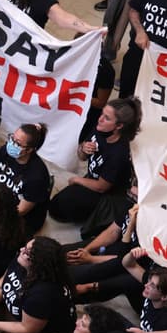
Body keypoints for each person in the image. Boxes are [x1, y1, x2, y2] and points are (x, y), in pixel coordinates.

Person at [48, 98, 139, 232]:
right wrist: (83, 148)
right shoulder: (100, 130)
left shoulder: (119, 152)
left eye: (107, 118)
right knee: (57, 205)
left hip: (107, 194)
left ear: (119, 126)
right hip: (92, 178)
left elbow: (101, 187)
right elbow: (81, 157)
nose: (100, 119)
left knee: (62, 208)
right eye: (102, 114)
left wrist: (77, 179)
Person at [0, 236, 77, 333]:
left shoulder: (41, 294)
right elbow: (1, 285)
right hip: (20, 310)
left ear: (38, 263)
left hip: (41, 331)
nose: (21, 250)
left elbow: (27, 329)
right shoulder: (22, 260)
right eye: (25, 247)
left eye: (26, 252)